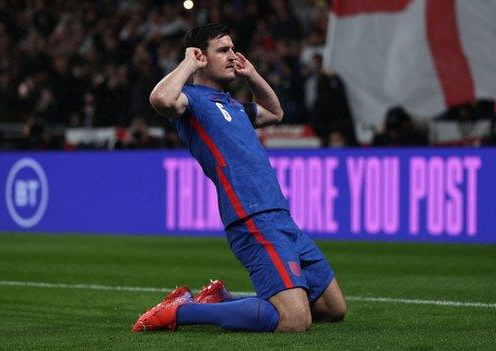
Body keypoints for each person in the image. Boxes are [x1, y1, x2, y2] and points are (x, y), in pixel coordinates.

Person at [132, 23, 346, 333]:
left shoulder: (232, 104)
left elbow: (275, 113)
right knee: (295, 320)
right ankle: (182, 311)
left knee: (333, 308)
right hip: (251, 217)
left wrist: (252, 76)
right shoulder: (190, 101)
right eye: (223, 50)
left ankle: (218, 299)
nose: (233, 55)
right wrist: (188, 63)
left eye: (233, 49)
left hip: (281, 216)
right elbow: (160, 99)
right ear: (200, 57)